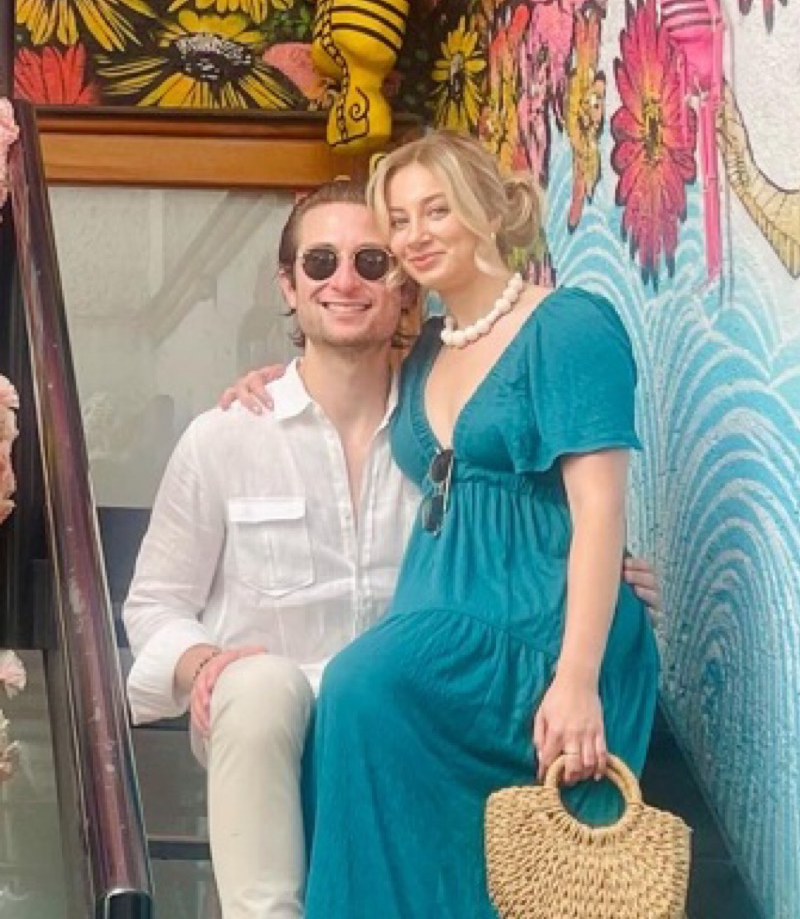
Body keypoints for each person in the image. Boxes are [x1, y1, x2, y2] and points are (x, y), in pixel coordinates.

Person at [124, 177, 660, 919]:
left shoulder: (436, 425)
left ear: (403, 285)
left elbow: (523, 517)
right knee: (261, 686)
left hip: (414, 714)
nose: (344, 281)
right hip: (272, 722)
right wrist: (201, 663)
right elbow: (153, 605)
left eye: (372, 261)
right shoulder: (225, 438)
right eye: (320, 263)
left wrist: (592, 576)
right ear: (288, 285)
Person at [297, 132, 660, 919]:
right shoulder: (427, 348)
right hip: (445, 619)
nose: (415, 235)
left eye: (437, 210)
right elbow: (340, 376)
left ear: (490, 211)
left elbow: (599, 506)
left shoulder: (568, 325)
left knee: (358, 687)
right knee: (352, 719)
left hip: (538, 634)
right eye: (399, 220)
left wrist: (578, 679)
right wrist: (263, 383)